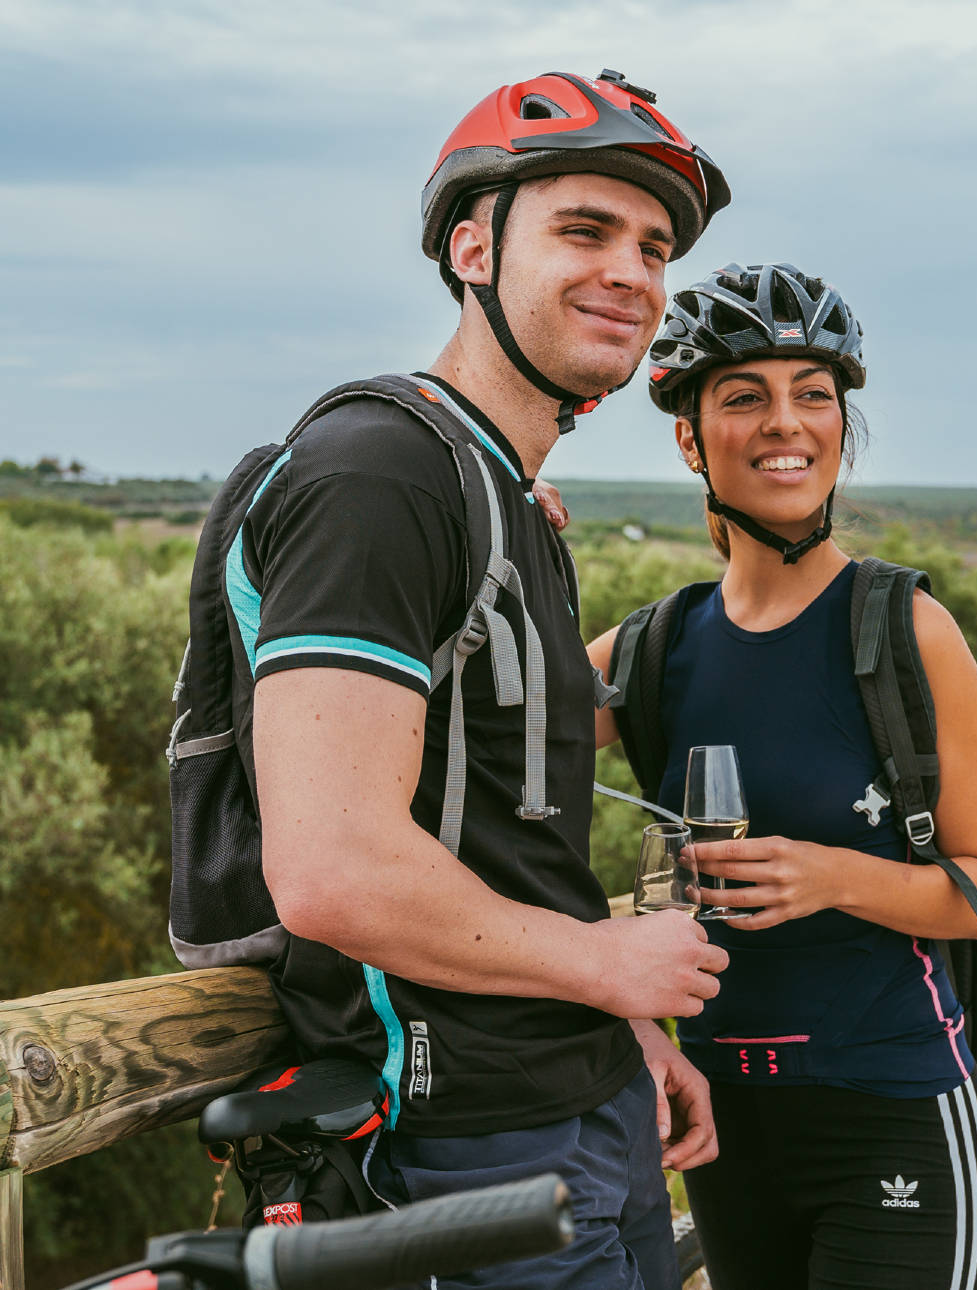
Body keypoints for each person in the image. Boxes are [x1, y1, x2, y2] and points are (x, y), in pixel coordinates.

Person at [241, 71, 730, 1289]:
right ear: (472, 249)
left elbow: (509, 832)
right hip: (460, 1140)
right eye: (585, 230)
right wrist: (605, 965)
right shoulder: (380, 475)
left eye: (653, 248)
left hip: (580, 1096)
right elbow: (332, 867)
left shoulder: (509, 497)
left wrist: (621, 1026)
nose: (631, 273)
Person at [588, 263, 977, 1290]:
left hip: (896, 1103)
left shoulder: (905, 630)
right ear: (690, 439)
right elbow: (484, 747)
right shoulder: (652, 650)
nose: (786, 423)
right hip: (723, 1116)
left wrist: (830, 877)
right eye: (746, 396)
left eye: (813, 395)